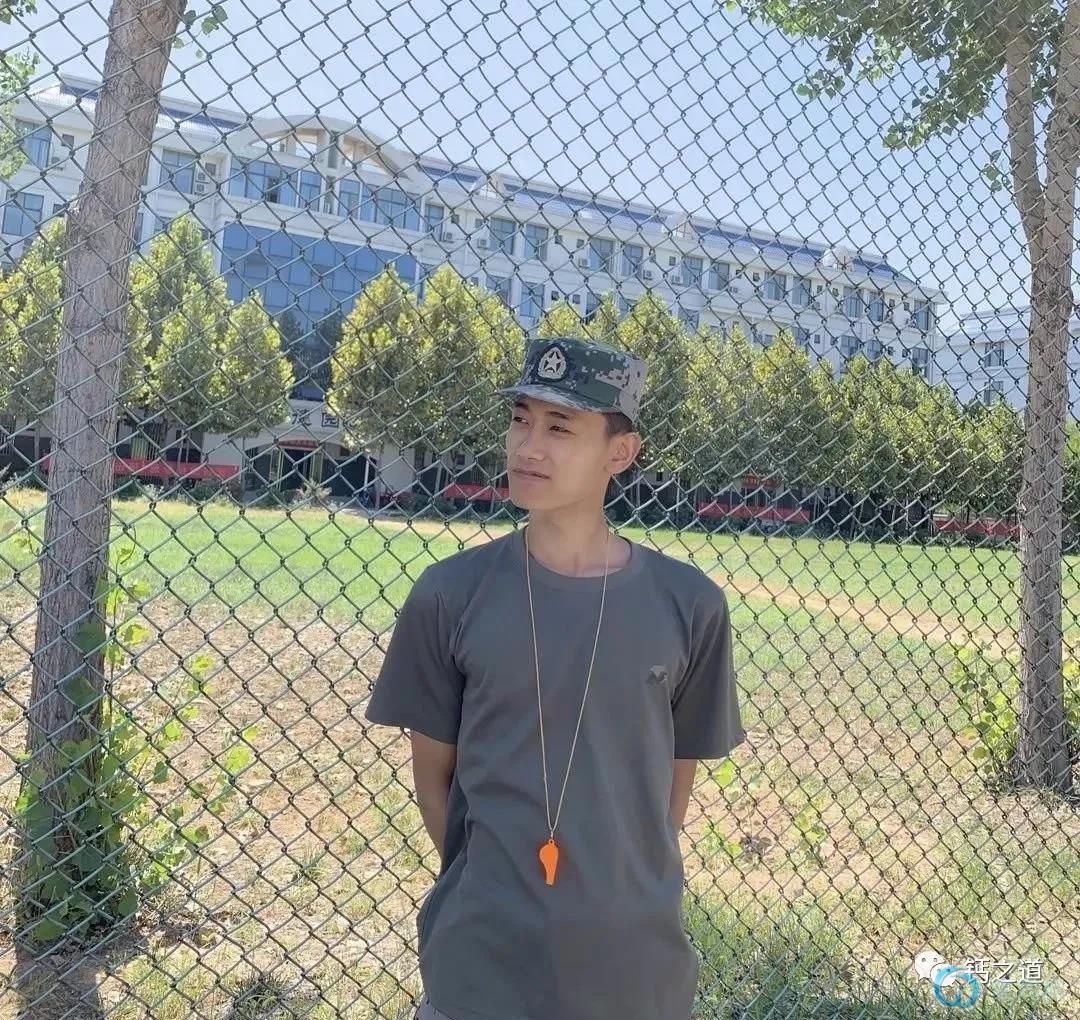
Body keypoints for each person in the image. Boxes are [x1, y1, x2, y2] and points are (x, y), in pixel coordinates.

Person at [364, 335, 747, 1020]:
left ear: (619, 454)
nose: (527, 446)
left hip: (634, 968)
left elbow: (671, 790)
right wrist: (501, 891)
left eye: (560, 428)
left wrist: (616, 890)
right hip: (482, 965)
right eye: (521, 420)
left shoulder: (689, 605)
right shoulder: (450, 594)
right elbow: (434, 782)